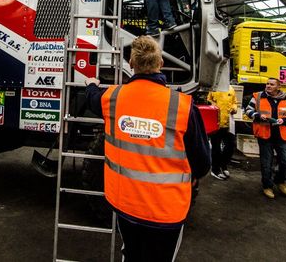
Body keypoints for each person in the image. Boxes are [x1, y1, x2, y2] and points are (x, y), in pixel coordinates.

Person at [85, 35, 210, 261]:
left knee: (131, 254)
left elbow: (93, 98)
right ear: (160, 63)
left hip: (125, 205)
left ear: (131, 65)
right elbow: (202, 164)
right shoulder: (182, 106)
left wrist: (91, 85)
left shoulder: (112, 98)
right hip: (166, 213)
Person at [245, 78, 286, 199]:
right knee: (266, 163)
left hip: (281, 135)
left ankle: (280, 180)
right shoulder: (258, 96)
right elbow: (248, 110)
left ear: (278, 87)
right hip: (264, 135)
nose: (268, 86)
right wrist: (257, 115)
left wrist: (283, 121)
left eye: (271, 84)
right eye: (267, 84)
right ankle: (267, 186)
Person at [207, 85, 239, 180]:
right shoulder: (213, 88)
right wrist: (213, 104)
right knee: (216, 148)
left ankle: (223, 165)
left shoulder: (231, 89)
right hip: (216, 123)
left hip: (228, 123)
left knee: (231, 146)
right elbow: (208, 99)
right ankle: (215, 170)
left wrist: (234, 108)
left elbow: (234, 102)